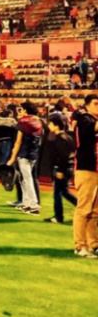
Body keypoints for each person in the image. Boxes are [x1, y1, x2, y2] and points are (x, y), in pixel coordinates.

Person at [71, 94, 98, 258]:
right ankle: (80, 245)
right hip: (86, 169)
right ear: (87, 105)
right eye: (96, 103)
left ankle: (93, 244)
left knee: (95, 211)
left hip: (95, 169)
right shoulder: (84, 119)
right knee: (84, 209)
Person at [6, 101, 43, 215]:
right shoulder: (38, 120)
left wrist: (12, 158)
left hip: (24, 154)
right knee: (24, 179)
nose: (19, 112)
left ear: (26, 110)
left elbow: (18, 142)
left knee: (27, 180)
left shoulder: (23, 122)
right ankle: (27, 203)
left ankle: (34, 205)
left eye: (20, 110)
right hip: (34, 154)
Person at [39, 113, 77, 225]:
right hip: (67, 169)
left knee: (58, 194)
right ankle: (82, 207)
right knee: (64, 192)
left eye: (50, 123)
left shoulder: (61, 139)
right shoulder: (67, 137)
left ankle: (59, 217)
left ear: (56, 125)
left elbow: (63, 156)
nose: (49, 125)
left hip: (62, 169)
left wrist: (60, 170)